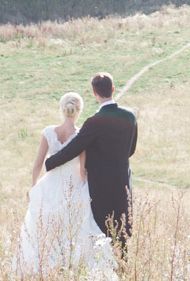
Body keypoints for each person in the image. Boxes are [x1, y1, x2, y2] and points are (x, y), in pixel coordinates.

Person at [14, 92, 116, 275]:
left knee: (45, 229)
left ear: (62, 109)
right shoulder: (80, 135)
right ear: (79, 111)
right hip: (72, 187)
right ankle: (72, 267)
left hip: (49, 186)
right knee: (75, 228)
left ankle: (44, 266)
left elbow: (38, 163)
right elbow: (83, 170)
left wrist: (34, 186)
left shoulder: (49, 132)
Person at [44, 72, 138, 253]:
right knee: (123, 232)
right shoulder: (130, 116)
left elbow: (74, 149)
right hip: (123, 182)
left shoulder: (94, 122)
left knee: (104, 231)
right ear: (112, 89)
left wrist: (50, 163)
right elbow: (131, 149)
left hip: (101, 186)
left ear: (94, 93)